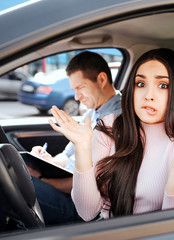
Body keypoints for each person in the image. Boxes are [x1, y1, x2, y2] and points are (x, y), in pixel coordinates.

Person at [48, 48, 174, 221]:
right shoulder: (110, 125)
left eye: (163, 85)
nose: (148, 95)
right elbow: (87, 212)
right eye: (141, 83)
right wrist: (82, 148)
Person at [28, 51, 121, 224]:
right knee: (18, 169)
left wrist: (43, 180)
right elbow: (67, 155)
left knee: (14, 184)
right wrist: (48, 161)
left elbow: (90, 181)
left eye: (80, 88)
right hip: (69, 186)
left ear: (101, 79)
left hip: (81, 204)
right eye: (74, 90)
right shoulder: (93, 112)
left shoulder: (117, 121)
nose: (77, 97)